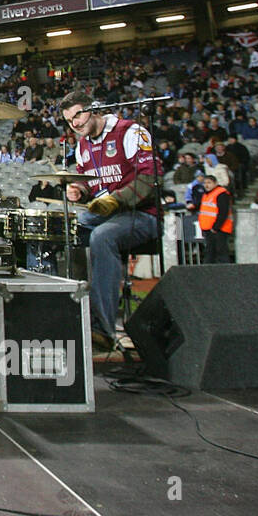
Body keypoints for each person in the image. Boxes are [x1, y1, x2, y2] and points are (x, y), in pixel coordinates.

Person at [59, 90, 160, 348]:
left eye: (78, 115)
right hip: (110, 213)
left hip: (142, 214)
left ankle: (101, 328)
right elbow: (92, 186)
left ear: (93, 109)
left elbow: (150, 179)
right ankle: (69, 310)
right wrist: (79, 190)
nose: (76, 124)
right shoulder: (82, 146)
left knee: (102, 237)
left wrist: (117, 199)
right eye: (70, 120)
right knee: (64, 229)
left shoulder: (130, 132)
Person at [197, 172, 233, 263]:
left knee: (221, 252)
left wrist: (216, 227)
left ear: (215, 183)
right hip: (209, 229)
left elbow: (223, 212)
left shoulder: (221, 193)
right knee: (210, 252)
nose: (206, 185)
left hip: (219, 229)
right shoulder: (206, 194)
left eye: (209, 183)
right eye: (205, 183)